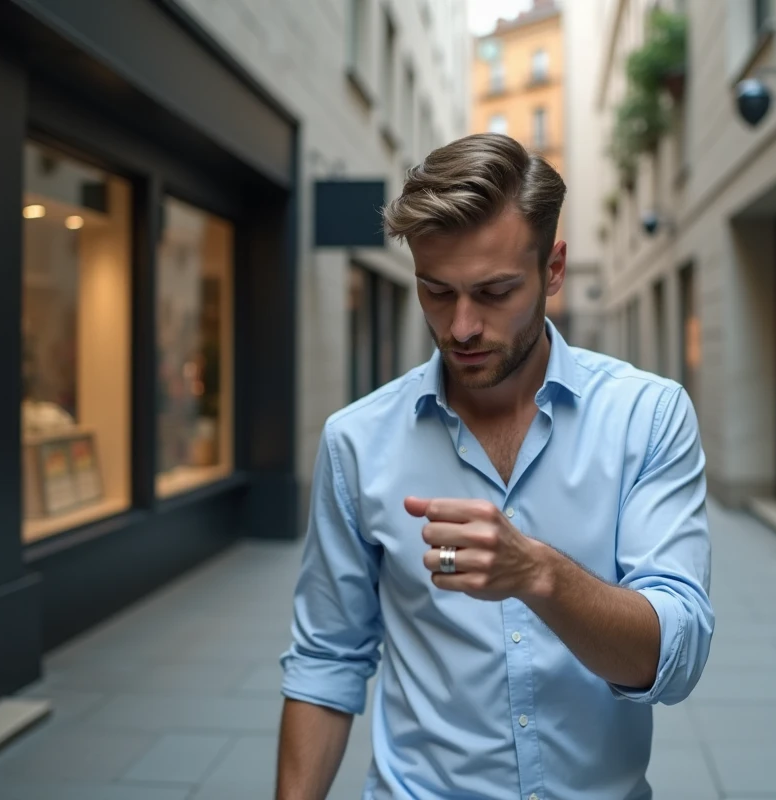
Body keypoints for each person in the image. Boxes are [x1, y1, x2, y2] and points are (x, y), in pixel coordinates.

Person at [276, 133, 713, 800]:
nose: (461, 327)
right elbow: (325, 659)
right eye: (436, 291)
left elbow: (674, 660)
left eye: (494, 291)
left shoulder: (647, 416)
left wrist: (538, 574)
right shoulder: (356, 441)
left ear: (553, 270)